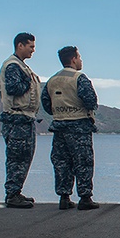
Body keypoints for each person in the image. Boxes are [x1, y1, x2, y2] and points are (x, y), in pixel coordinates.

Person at [41, 46, 99, 211]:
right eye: (79, 57)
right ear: (73, 59)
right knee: (83, 161)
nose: (80, 60)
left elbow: (45, 102)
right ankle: (85, 197)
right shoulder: (79, 78)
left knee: (61, 162)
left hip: (59, 126)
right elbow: (90, 100)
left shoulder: (52, 80)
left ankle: (64, 197)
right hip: (79, 125)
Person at [0, 32, 40, 209]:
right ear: (20, 45)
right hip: (16, 119)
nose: (33, 50)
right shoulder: (13, 66)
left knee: (24, 156)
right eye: (30, 46)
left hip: (24, 119)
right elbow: (14, 88)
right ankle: (12, 194)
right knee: (17, 156)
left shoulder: (21, 66)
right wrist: (28, 82)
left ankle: (16, 191)